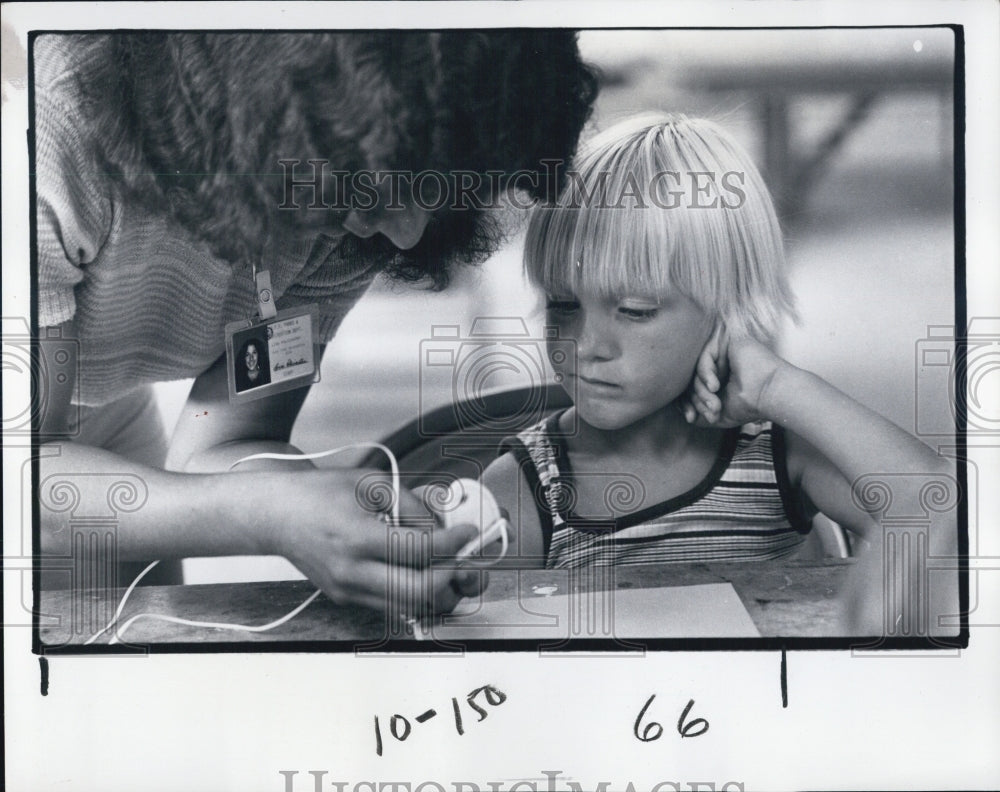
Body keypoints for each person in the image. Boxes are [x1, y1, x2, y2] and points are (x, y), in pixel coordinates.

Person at [35, 31, 598, 613]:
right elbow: (23, 482)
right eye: (391, 181)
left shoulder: (352, 217)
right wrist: (267, 516)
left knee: (138, 635)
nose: (408, 233)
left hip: (105, 414)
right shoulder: (54, 131)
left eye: (439, 190)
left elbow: (222, 449)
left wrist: (341, 502)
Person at [481, 114, 958, 634]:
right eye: (563, 305)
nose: (586, 345)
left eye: (636, 310)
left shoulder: (777, 451)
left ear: (724, 310)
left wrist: (778, 386)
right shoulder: (527, 486)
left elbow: (942, 515)